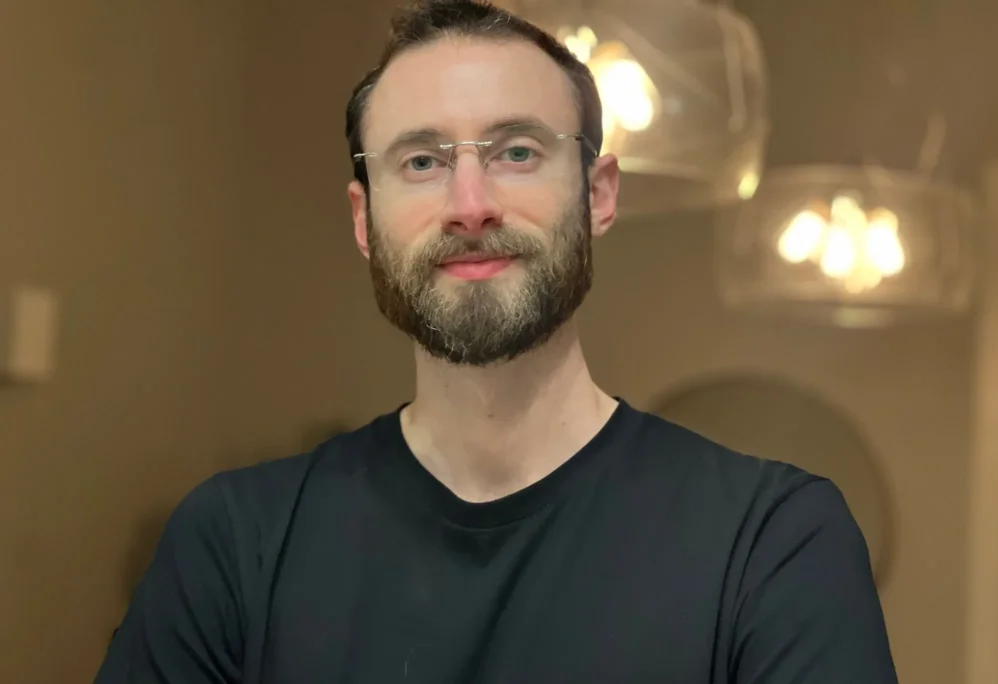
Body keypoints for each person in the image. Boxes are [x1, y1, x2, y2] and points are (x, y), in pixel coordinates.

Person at [95, 1, 899, 682]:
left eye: (517, 152)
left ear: (598, 194)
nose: (470, 204)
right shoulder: (235, 544)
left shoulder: (776, 543)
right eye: (420, 160)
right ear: (362, 220)